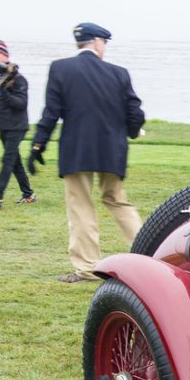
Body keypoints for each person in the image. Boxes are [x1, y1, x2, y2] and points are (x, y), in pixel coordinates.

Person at [29, 22, 145, 284]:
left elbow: (51, 112)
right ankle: (148, 251)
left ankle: (88, 267)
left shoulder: (61, 68)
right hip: (112, 150)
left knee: (80, 206)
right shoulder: (119, 73)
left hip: (77, 149)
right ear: (97, 42)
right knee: (117, 200)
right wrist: (133, 130)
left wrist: (38, 144)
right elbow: (135, 111)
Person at [0, 39, 34, 209]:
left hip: (17, 126)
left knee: (8, 160)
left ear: (5, 56)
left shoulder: (18, 79)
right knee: (14, 161)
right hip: (3, 125)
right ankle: (29, 194)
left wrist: (4, 92)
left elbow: (21, 104)